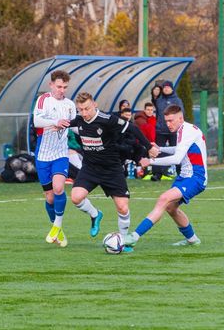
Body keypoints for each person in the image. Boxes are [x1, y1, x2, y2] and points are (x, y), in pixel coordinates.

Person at [66, 92, 159, 251]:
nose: (84, 113)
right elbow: (65, 123)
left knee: (122, 207)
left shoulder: (108, 119)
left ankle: (123, 241)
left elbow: (133, 129)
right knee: (76, 197)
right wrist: (56, 123)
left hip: (111, 169)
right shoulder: (79, 119)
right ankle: (95, 214)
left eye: (87, 108)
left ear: (94, 104)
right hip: (90, 168)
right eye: (80, 109)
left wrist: (149, 147)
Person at [124, 104, 207, 250]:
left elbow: (177, 159)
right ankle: (192, 240)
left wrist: (150, 161)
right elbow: (180, 149)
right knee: (170, 207)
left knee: (164, 199)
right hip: (185, 176)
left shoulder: (188, 131)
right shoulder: (183, 129)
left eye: (171, 120)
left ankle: (134, 237)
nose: (168, 124)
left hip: (195, 177)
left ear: (180, 118)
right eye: (166, 121)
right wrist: (160, 148)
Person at [33, 70, 76, 247]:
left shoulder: (70, 105)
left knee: (59, 188)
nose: (61, 90)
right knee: (50, 198)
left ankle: (57, 225)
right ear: (51, 85)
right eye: (59, 86)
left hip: (60, 154)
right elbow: (36, 122)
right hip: (43, 155)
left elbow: (76, 126)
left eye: (65, 87)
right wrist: (55, 122)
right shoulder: (43, 100)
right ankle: (58, 229)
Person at [153, 80, 184, 181]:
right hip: (160, 130)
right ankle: (157, 174)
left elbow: (181, 114)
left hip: (174, 131)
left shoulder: (177, 100)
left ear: (172, 89)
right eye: (164, 87)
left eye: (168, 87)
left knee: (178, 151)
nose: (166, 89)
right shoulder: (159, 100)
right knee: (158, 151)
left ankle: (180, 172)